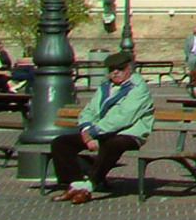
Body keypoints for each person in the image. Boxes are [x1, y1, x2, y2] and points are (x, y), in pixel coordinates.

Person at [51, 51, 152, 204]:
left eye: (120, 69)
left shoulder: (138, 88)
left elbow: (123, 118)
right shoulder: (105, 86)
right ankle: (76, 185)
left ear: (129, 69)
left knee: (113, 144)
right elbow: (89, 110)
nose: (115, 73)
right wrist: (86, 129)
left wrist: (94, 133)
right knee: (61, 143)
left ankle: (89, 187)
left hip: (129, 133)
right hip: (101, 132)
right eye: (112, 70)